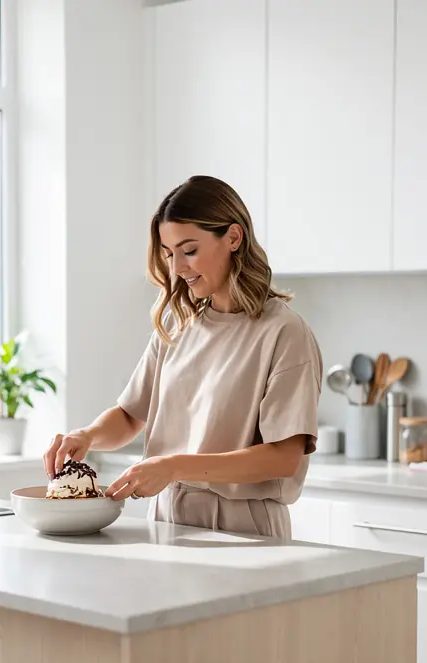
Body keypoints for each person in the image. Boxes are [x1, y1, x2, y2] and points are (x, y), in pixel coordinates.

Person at [44, 176, 322, 538]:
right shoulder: (179, 324)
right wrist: (88, 435)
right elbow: (130, 415)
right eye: (169, 253)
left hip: (244, 529)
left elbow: (284, 458)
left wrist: (174, 467)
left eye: (189, 250)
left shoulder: (283, 332)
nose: (176, 268)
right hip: (167, 519)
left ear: (234, 238)